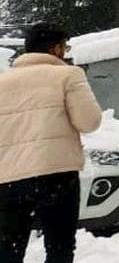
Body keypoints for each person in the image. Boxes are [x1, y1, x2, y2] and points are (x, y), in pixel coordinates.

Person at [0, 24, 103, 263]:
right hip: (55, 174)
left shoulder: (3, 82)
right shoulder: (68, 75)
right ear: (56, 49)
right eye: (65, 46)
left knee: (8, 249)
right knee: (59, 247)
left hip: (8, 178)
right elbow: (89, 122)